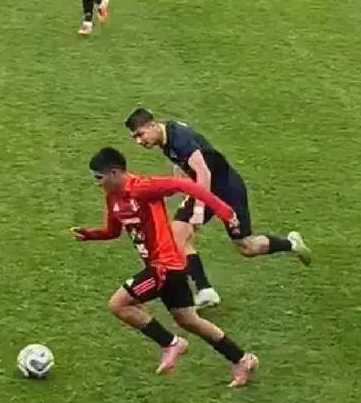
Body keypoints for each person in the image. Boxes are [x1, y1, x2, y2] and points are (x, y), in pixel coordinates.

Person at [71, 147, 259, 387]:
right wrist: (90, 235)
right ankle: (242, 359)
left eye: (99, 177)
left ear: (114, 172)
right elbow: (113, 230)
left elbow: (187, 186)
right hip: (164, 268)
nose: (97, 183)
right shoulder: (113, 197)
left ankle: (171, 343)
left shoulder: (143, 187)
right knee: (189, 320)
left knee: (118, 304)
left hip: (164, 267)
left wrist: (224, 211)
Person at [124, 108, 312, 308]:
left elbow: (203, 172)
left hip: (227, 190)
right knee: (177, 235)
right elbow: (181, 162)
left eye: (140, 134)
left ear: (152, 126)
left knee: (247, 247)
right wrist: (182, 185)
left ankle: (291, 244)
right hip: (204, 189)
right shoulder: (166, 136)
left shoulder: (179, 138)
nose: (139, 141)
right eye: (134, 137)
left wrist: (198, 208)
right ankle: (205, 290)